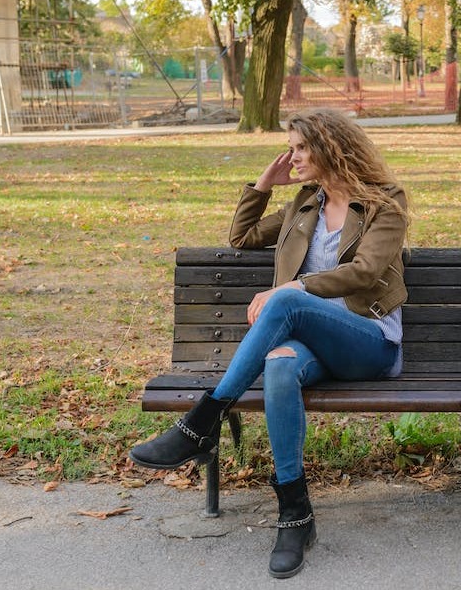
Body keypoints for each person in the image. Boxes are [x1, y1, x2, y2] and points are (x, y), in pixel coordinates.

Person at [129, 108, 409, 578]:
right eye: (292, 148)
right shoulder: (304, 205)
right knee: (279, 366)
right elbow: (240, 237)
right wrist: (263, 184)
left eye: (300, 148)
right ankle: (295, 514)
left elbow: (366, 272)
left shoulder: (385, 201)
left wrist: (292, 288)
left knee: (286, 302)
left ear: (329, 147)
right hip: (310, 342)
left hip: (369, 342)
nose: (292, 156)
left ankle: (203, 420)